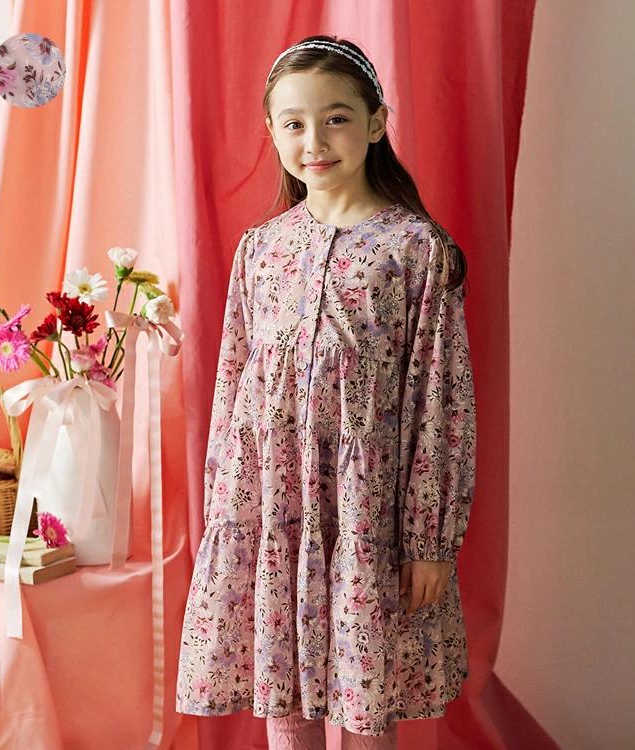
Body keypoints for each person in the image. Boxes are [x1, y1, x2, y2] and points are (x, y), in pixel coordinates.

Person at [176, 34, 478, 750]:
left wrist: (430, 539)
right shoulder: (261, 249)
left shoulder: (415, 249)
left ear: (375, 123)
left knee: (366, 693)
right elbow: (233, 386)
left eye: (336, 118)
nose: (314, 140)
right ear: (272, 131)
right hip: (272, 509)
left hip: (369, 517)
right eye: (294, 123)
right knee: (284, 688)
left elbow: (441, 402)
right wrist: (225, 512)